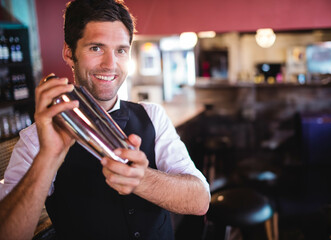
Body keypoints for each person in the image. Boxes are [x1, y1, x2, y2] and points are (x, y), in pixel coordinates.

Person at [0, 0, 210, 239]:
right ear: (69, 53)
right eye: (96, 48)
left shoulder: (152, 116)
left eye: (120, 50)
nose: (110, 64)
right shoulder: (35, 139)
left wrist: (142, 179)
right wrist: (49, 157)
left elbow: (200, 200)